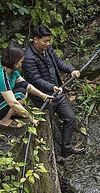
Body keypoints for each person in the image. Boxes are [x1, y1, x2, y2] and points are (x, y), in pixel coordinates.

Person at [23, 25, 84, 156]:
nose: (48, 43)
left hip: (58, 92)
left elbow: (58, 62)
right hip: (43, 97)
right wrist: (50, 87)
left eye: (49, 40)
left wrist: (71, 70)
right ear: (35, 40)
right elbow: (34, 79)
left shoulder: (48, 49)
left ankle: (67, 147)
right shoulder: (29, 58)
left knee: (70, 117)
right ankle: (53, 154)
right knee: (48, 127)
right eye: (45, 41)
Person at [0, 45, 52, 129]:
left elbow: (27, 86)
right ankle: (5, 120)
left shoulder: (11, 71)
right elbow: (12, 102)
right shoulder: (0, 75)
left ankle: (14, 112)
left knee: (23, 88)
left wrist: (43, 96)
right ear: (14, 62)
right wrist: (31, 119)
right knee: (20, 93)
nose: (21, 64)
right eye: (21, 62)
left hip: (0, 102)